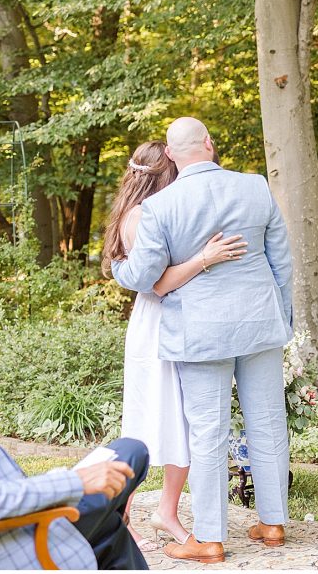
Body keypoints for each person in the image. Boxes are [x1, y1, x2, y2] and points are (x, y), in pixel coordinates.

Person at [112, 117, 294, 564]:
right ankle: (273, 523)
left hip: (199, 333)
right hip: (259, 324)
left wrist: (117, 267)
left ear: (172, 155)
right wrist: (282, 319)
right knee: (268, 422)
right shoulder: (255, 187)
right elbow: (282, 263)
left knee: (208, 432)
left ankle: (209, 538)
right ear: (209, 144)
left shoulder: (162, 206)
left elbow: (143, 276)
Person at [101, 140, 248, 551]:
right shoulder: (140, 217)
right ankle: (120, 517)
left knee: (182, 425)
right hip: (155, 327)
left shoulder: (164, 210)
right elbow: (159, 283)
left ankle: (167, 511)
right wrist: (206, 258)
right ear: (165, 174)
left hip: (181, 322)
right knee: (147, 426)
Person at [0, 386, 150, 570]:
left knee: (111, 527)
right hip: (15, 541)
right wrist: (77, 481)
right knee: (132, 452)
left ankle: (108, 516)